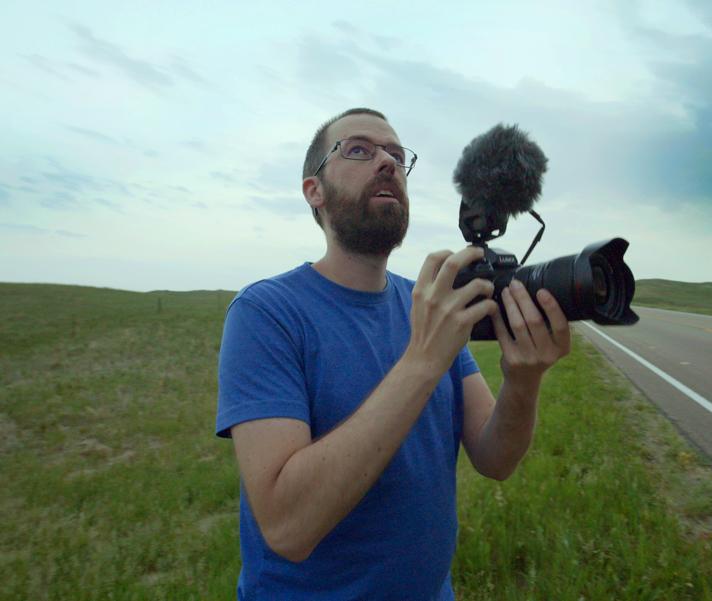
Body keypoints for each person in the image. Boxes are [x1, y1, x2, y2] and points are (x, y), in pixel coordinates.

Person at [215, 107, 571, 600]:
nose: (386, 161)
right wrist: (423, 361)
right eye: (359, 149)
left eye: (397, 155)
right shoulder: (266, 312)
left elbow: (495, 458)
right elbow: (287, 528)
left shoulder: (427, 303)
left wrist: (524, 379)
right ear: (313, 191)